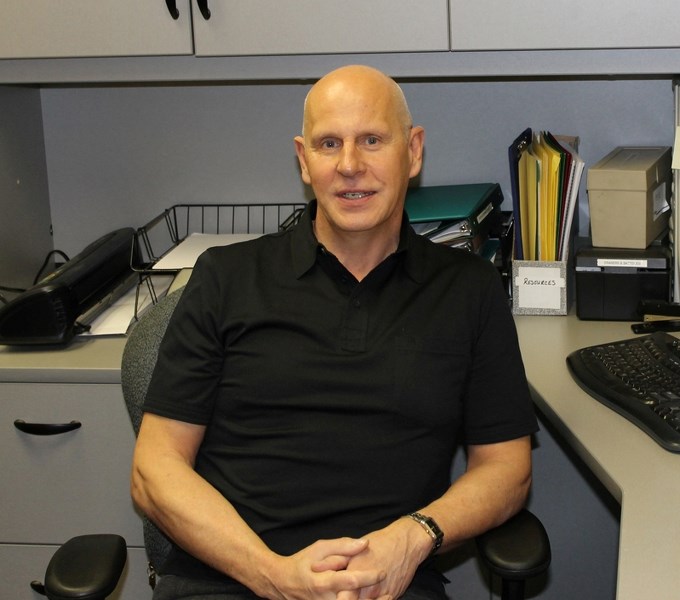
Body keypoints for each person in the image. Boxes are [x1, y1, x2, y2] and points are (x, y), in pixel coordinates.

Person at [131, 64, 538, 600]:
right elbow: (154, 468)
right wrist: (271, 573)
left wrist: (414, 538)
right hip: (230, 577)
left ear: (413, 151)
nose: (350, 166)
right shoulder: (225, 277)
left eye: (372, 140)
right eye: (329, 144)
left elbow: (508, 468)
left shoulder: (469, 290)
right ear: (304, 160)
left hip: (387, 581)